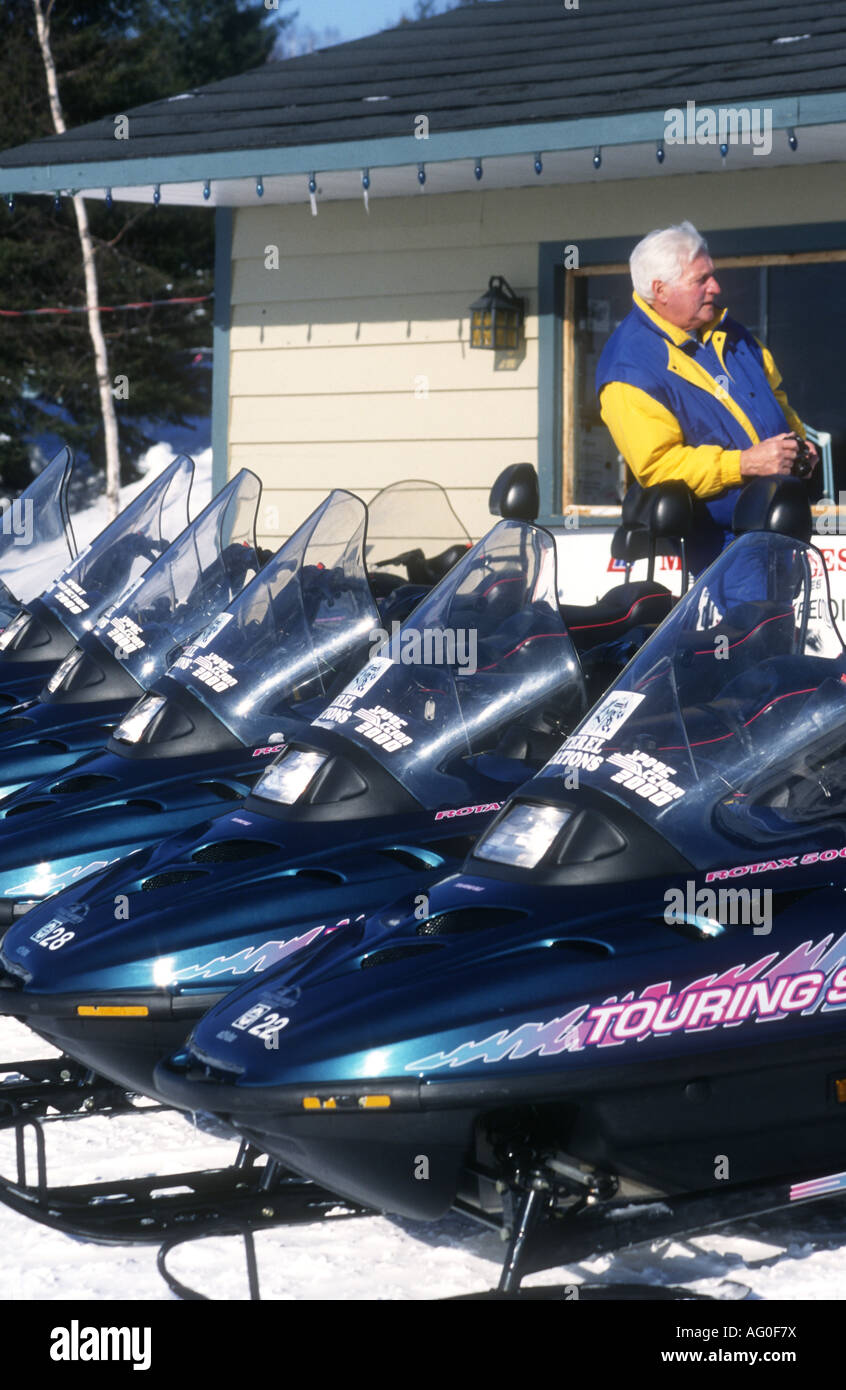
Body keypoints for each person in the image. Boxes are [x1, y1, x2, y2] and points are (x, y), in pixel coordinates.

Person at [596, 221, 817, 571]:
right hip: (719, 547)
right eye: (701, 280)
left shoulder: (729, 332)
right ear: (661, 290)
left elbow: (776, 397)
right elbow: (658, 467)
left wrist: (799, 444)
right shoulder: (629, 365)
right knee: (746, 627)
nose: (716, 287)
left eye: (711, 275)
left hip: (780, 526)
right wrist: (744, 464)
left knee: (780, 625)